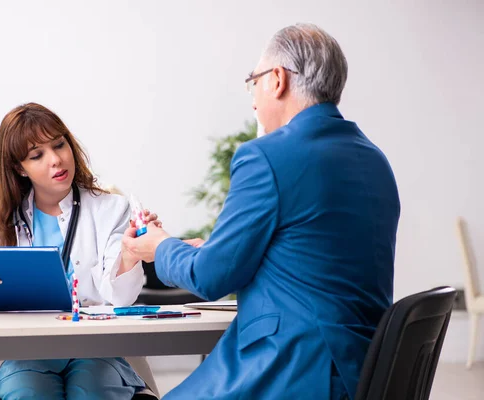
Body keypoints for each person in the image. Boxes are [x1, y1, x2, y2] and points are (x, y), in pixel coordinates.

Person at [123, 23, 401, 400]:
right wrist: (216, 247)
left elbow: (210, 278)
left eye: (252, 81)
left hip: (293, 370)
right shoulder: (374, 160)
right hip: (362, 372)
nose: (252, 100)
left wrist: (160, 247)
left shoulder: (266, 156)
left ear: (277, 80)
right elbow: (316, 261)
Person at [0, 102, 159, 400]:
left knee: (92, 392)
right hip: (23, 348)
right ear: (20, 168)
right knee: (30, 393)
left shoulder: (110, 208)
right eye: (37, 155)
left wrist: (129, 256)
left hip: (94, 347)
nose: (56, 160)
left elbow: (120, 297)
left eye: (59, 145)